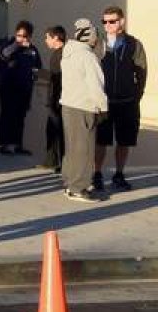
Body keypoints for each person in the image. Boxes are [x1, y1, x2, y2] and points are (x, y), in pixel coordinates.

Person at [94, 6, 147, 192]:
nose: (107, 25)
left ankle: (119, 174)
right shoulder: (97, 44)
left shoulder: (133, 44)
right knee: (101, 141)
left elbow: (141, 71)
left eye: (112, 21)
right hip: (103, 103)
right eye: (105, 21)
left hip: (127, 102)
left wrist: (136, 96)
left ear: (121, 22)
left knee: (124, 141)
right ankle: (97, 174)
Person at [60, 23, 109, 202]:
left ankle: (69, 184)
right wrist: (103, 107)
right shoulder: (87, 57)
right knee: (84, 149)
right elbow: (96, 85)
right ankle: (78, 188)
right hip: (84, 107)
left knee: (72, 148)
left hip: (68, 106)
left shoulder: (68, 52)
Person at [0, 21, 41, 156]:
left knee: (20, 116)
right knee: (7, 114)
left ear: (30, 36)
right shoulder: (9, 45)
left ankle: (17, 144)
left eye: (25, 36)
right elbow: (4, 55)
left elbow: (37, 66)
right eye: (19, 35)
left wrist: (34, 77)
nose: (22, 38)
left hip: (24, 88)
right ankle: (5, 144)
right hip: (7, 87)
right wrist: (17, 44)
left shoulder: (32, 50)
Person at [41, 26, 66, 173]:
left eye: (47, 37)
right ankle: (52, 161)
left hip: (59, 100)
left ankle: (62, 163)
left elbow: (58, 79)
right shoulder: (57, 54)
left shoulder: (61, 55)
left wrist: (54, 100)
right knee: (52, 131)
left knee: (59, 132)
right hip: (55, 99)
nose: (46, 41)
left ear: (56, 38)